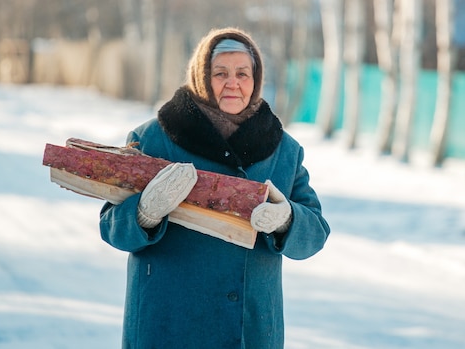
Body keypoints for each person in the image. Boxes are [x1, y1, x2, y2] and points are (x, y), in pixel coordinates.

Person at [100, 27, 331, 349]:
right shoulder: (153, 139)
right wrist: (144, 213)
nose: (233, 82)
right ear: (200, 77)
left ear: (256, 78)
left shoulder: (283, 149)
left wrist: (287, 220)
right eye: (220, 73)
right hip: (167, 321)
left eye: (242, 73)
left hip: (247, 326)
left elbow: (316, 234)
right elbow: (112, 229)